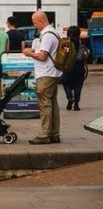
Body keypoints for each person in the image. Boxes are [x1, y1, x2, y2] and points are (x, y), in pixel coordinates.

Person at [23, 10, 64, 144]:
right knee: (53, 104)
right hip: (52, 73)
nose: (34, 25)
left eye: (35, 22)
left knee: (44, 105)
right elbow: (44, 51)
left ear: (41, 21)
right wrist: (34, 51)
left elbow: (42, 56)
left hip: (45, 73)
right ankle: (54, 133)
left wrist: (29, 53)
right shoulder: (54, 32)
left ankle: (44, 135)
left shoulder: (47, 35)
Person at [62, 24, 88, 112]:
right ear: (79, 33)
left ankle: (69, 98)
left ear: (68, 33)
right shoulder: (82, 44)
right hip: (79, 68)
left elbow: (61, 55)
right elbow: (84, 56)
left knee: (66, 84)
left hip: (67, 68)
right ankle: (76, 104)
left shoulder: (65, 43)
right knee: (78, 86)